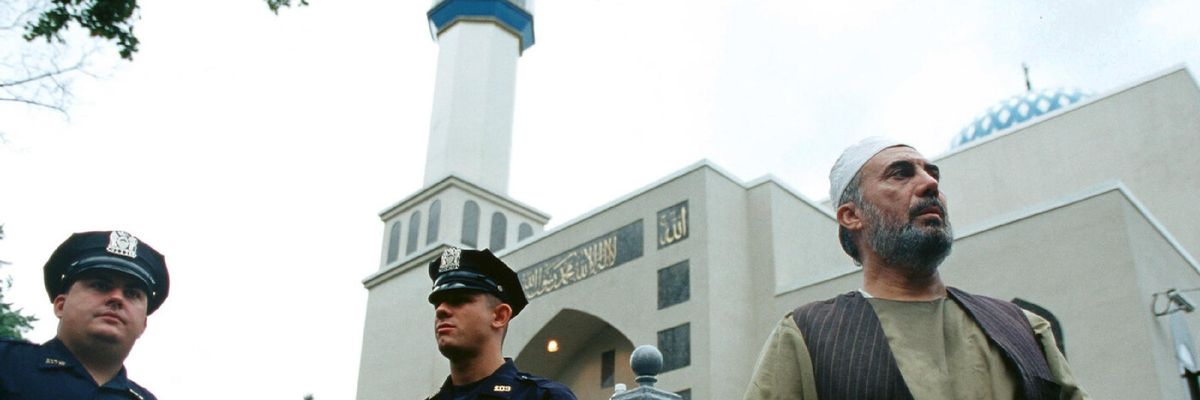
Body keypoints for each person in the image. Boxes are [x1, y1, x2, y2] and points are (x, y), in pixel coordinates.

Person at [743, 137, 1087, 400]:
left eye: (931, 173)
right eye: (901, 174)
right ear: (852, 216)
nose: (929, 183)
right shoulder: (807, 337)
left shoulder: (1023, 328)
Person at [0, 230, 169, 400]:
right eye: (100, 286)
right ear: (60, 305)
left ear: (143, 325)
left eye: (132, 294)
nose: (117, 298)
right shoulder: (7, 363)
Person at [424, 247, 577, 400]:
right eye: (437, 304)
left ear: (499, 316)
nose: (441, 310)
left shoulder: (543, 397)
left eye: (458, 300)